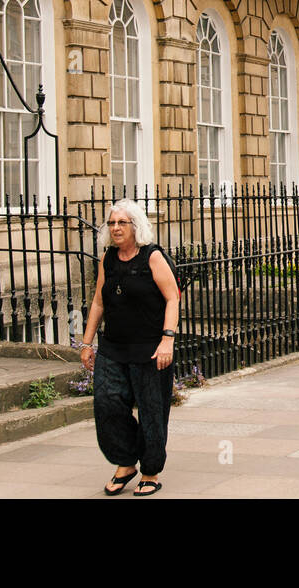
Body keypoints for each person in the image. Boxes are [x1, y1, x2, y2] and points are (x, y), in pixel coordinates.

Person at [79, 199, 181, 497]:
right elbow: (99, 300)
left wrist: (167, 340)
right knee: (107, 403)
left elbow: (173, 297)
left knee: (152, 410)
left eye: (121, 223)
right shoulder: (108, 259)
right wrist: (87, 343)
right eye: (111, 223)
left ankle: (150, 470)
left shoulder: (152, 257)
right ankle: (126, 461)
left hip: (150, 348)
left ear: (135, 226)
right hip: (113, 346)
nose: (115, 228)